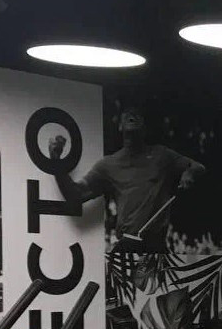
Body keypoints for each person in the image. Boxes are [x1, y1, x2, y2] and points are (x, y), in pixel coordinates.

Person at [54, 108, 205, 252]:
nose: (132, 115)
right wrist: (55, 161)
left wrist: (189, 173)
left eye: (137, 113)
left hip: (156, 248)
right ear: (120, 126)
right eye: (127, 113)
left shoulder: (162, 155)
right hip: (127, 246)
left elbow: (197, 167)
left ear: (145, 127)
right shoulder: (108, 164)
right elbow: (76, 194)